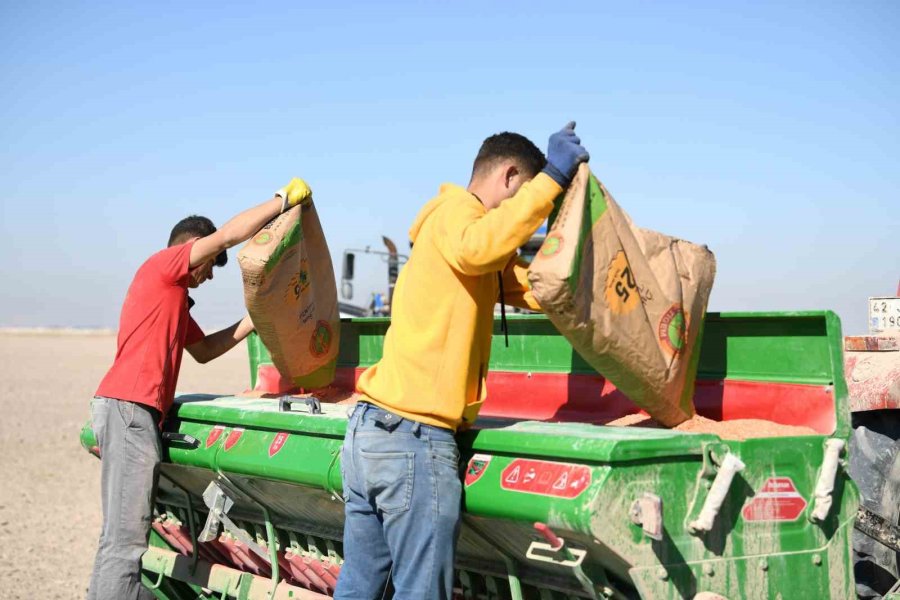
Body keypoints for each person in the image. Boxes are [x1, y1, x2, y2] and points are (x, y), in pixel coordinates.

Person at [335, 123, 589, 599]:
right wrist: (553, 178)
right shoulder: (457, 215)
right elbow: (481, 247)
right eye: (526, 198)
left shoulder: (456, 238)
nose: (526, 222)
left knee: (359, 588)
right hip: (413, 438)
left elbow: (532, 286)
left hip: (373, 434)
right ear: (509, 177)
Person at [86, 178, 314, 600]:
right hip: (130, 410)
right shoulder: (163, 266)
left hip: (128, 410)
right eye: (209, 265)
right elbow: (228, 235)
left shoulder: (169, 296)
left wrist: (257, 316)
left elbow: (206, 351)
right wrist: (282, 201)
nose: (208, 276)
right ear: (192, 249)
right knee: (127, 541)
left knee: (118, 536)